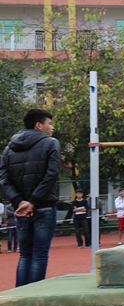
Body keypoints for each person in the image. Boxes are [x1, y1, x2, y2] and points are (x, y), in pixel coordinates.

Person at [0, 109, 60, 287]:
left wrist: (19, 201)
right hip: (44, 206)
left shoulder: (9, 148)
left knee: (25, 254)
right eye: (49, 123)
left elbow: (4, 179)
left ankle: (20, 295)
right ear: (38, 125)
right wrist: (32, 202)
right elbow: (51, 175)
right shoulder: (51, 143)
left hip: (21, 210)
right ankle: (34, 296)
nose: (52, 127)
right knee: (39, 255)